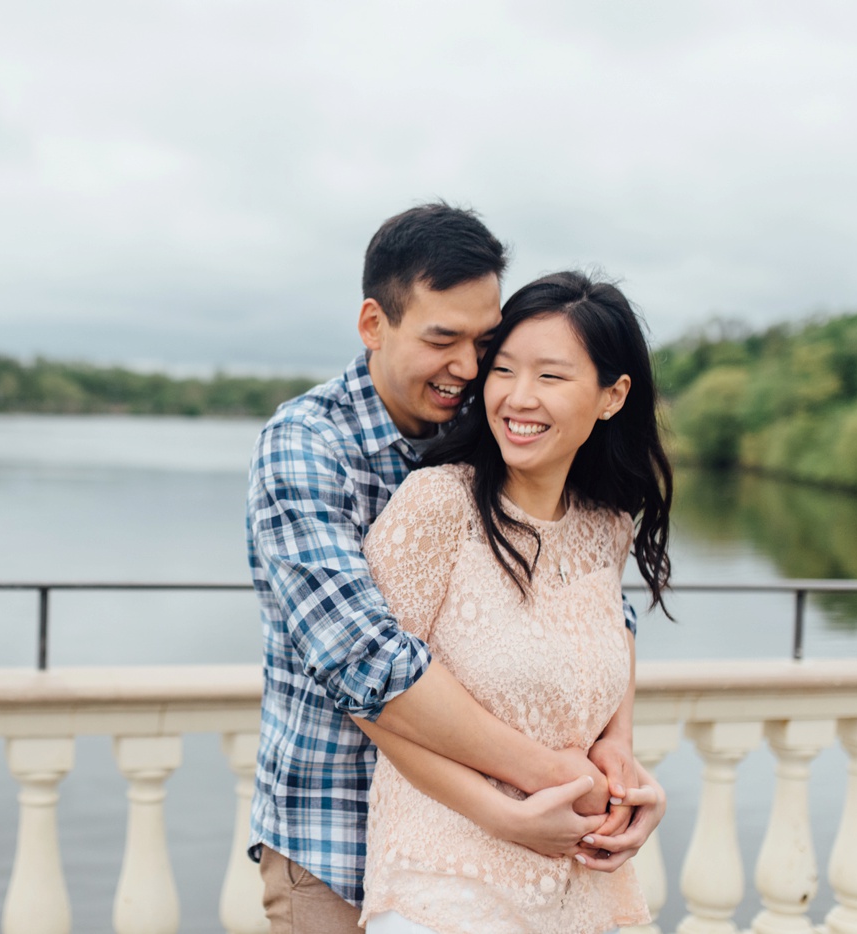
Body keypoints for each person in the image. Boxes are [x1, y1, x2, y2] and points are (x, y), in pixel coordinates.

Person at [246, 202, 664, 933]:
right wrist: (555, 779)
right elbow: (365, 661)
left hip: (527, 849)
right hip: (336, 836)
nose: (471, 370)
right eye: (445, 340)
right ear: (374, 325)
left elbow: (594, 611)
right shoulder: (307, 447)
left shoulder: (494, 442)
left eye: (485, 342)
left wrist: (613, 749)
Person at [356, 271, 673, 933]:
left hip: (580, 884)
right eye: (503, 370)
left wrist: (621, 755)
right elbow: (368, 700)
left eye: (551, 377)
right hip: (447, 883)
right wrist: (501, 813)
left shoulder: (606, 527)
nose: (518, 398)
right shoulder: (437, 505)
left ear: (612, 396)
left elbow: (608, 636)